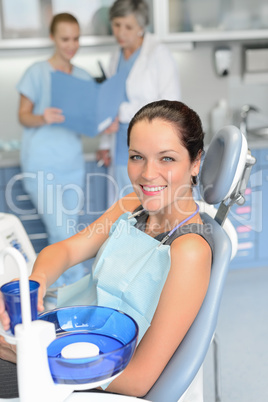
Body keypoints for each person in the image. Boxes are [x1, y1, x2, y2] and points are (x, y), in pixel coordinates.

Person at [0, 100, 213, 400]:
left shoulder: (190, 250)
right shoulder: (132, 207)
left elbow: (137, 381)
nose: (148, 174)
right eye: (137, 157)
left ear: (195, 162)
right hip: (71, 339)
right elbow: (67, 251)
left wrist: (24, 354)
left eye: (166, 159)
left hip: (91, 376)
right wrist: (35, 282)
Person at [17, 13, 93, 291]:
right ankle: (80, 292)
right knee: (62, 232)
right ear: (52, 38)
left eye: (76, 39)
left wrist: (100, 123)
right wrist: (43, 116)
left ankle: (57, 296)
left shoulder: (83, 77)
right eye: (65, 39)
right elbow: (23, 116)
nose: (71, 45)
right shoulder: (36, 72)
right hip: (41, 166)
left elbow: (86, 121)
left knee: (66, 234)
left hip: (72, 165)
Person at [97, 0, 181, 205]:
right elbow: (110, 101)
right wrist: (105, 143)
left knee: (148, 204)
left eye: (128, 27)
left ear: (141, 27)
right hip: (120, 143)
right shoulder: (115, 57)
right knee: (123, 205)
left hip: (149, 141)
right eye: (116, 25)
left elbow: (172, 107)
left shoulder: (158, 54)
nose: (120, 32)